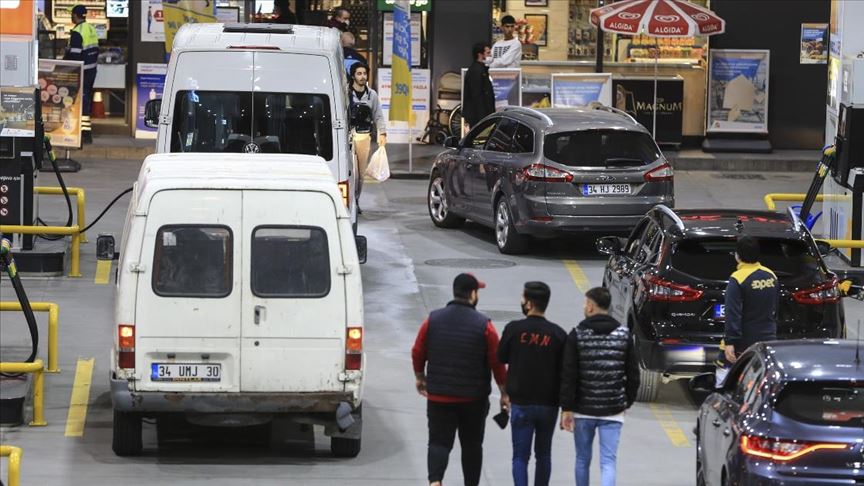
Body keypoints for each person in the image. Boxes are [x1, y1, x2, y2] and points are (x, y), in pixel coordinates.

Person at [412, 273, 508, 486]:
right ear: (473, 294)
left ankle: (435, 482)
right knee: (472, 445)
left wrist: (420, 376)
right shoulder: (485, 325)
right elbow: (497, 361)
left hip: (439, 396)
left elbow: (418, 350)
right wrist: (504, 392)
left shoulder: (432, 320)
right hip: (473, 399)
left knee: (438, 443)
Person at [560, 287, 640, 486]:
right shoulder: (623, 334)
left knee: (582, 460)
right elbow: (633, 375)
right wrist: (625, 401)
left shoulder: (577, 334)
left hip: (583, 410)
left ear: (590, 306)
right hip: (612, 410)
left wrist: (567, 408)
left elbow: (568, 375)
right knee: (608, 462)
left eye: (585, 302)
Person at [497, 282, 567, 486]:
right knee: (544, 454)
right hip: (548, 405)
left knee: (520, 456)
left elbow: (501, 357)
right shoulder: (558, 334)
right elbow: (565, 371)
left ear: (528, 303)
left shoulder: (513, 329)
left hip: (521, 403)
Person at [716, 236, 779, 385]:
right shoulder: (771, 275)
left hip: (743, 342)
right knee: (761, 380)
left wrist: (730, 342)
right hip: (768, 338)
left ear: (737, 255)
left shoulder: (737, 279)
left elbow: (733, 314)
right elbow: (775, 309)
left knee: (724, 378)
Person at [348, 62, 386, 208]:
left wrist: (382, 133)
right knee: (352, 171)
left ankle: (356, 200)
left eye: (364, 73)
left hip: (364, 137)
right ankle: (349, 200)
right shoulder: (346, 93)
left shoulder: (372, 95)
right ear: (353, 76)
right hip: (347, 137)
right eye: (359, 73)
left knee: (361, 172)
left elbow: (378, 116)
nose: (362, 76)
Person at [64, 5, 99, 144]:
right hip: (91, 71)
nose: (71, 17)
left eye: (72, 14)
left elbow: (75, 55)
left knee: (81, 101)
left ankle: (84, 133)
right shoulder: (91, 29)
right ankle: (84, 131)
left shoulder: (77, 32)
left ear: (76, 15)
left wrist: (65, 62)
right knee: (86, 100)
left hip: (82, 72)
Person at [462, 43, 495, 130]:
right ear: (480, 54)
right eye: (488, 53)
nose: (490, 55)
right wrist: (482, 116)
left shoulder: (481, 69)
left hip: (481, 114)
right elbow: (476, 95)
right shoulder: (476, 71)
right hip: (478, 115)